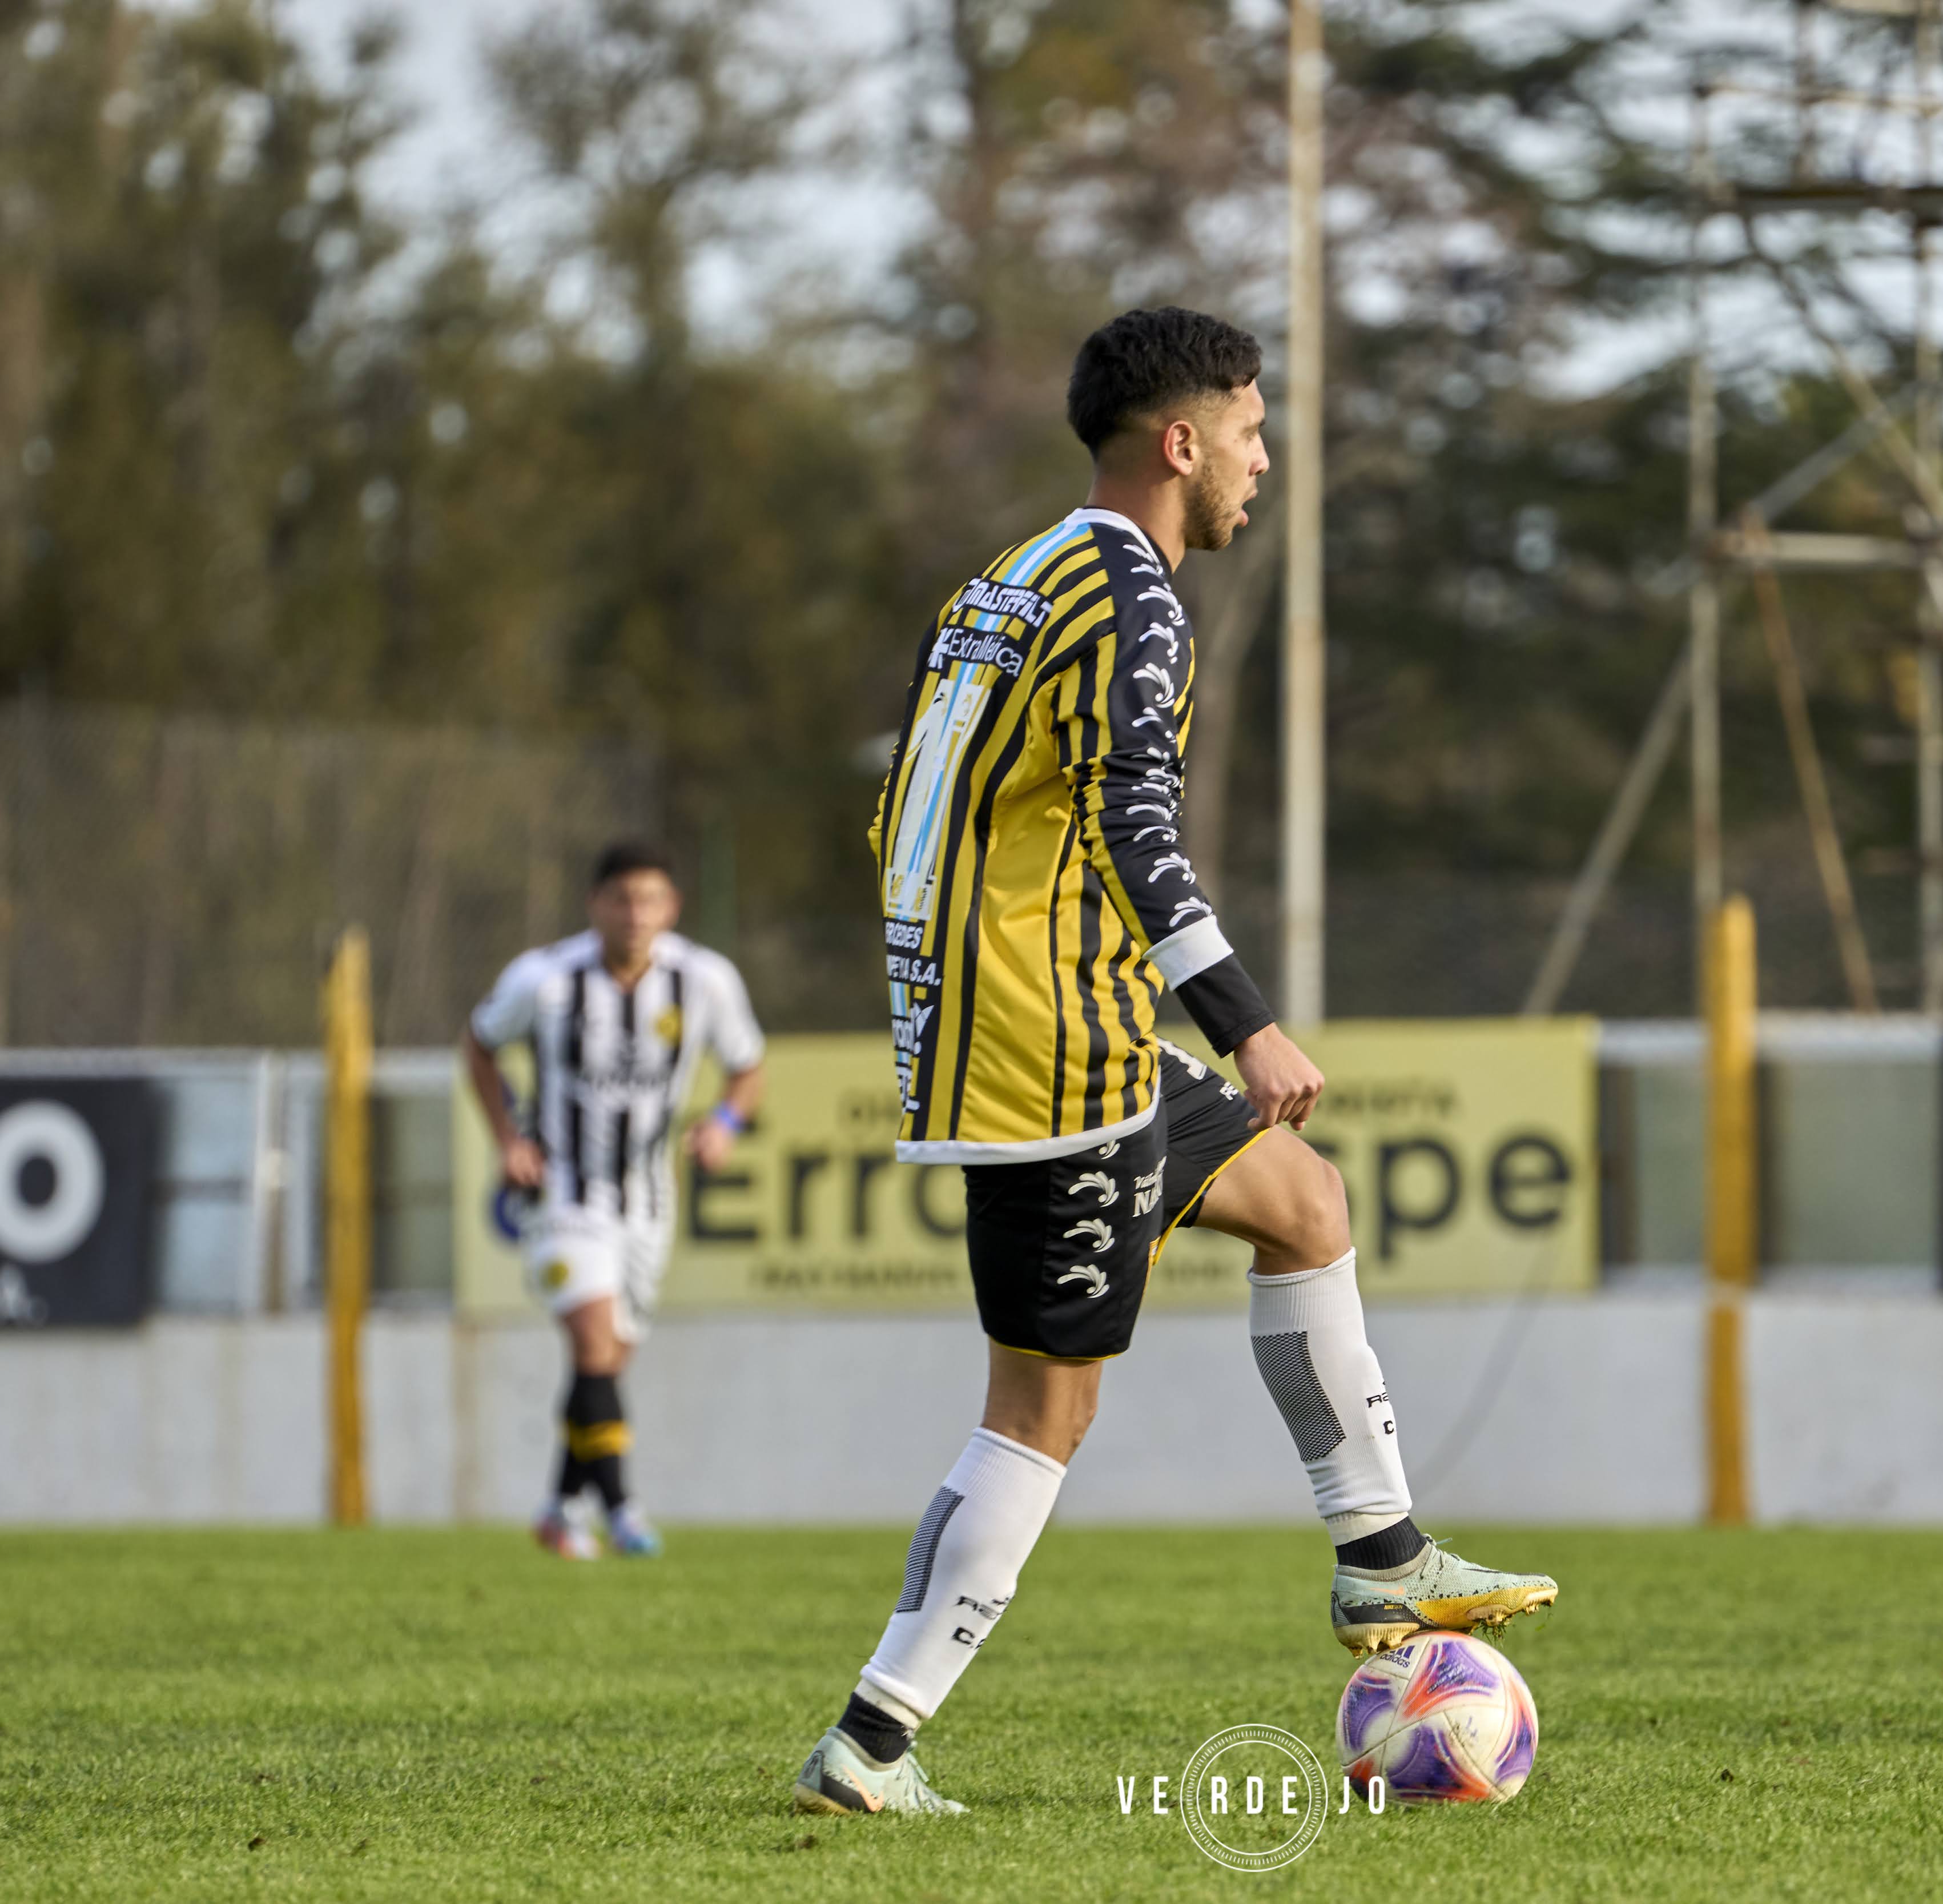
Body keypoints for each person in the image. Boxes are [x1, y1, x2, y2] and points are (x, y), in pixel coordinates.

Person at [793, 307, 1555, 1817]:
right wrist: (1246, 1019)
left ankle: (1379, 1557)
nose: (1264, 465)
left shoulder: (1006, 579)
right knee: (1039, 1412)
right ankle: (869, 1744)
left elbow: (907, 805)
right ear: (1181, 441)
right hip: (1046, 1054)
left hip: (1038, 1024)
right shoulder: (1133, 595)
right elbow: (1138, 823)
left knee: (1303, 1204)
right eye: (1253, 434)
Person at [462, 839, 765, 1561]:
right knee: (595, 1346)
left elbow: (747, 1065)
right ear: (595, 905)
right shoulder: (545, 980)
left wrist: (723, 1123)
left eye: (649, 900)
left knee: (604, 1365)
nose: (635, 915)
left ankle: (559, 1507)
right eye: (621, 900)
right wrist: (508, 1137)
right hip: (564, 1194)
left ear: (672, 907)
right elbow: (479, 1045)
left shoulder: (704, 980)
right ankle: (623, 1508)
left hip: (648, 1201)